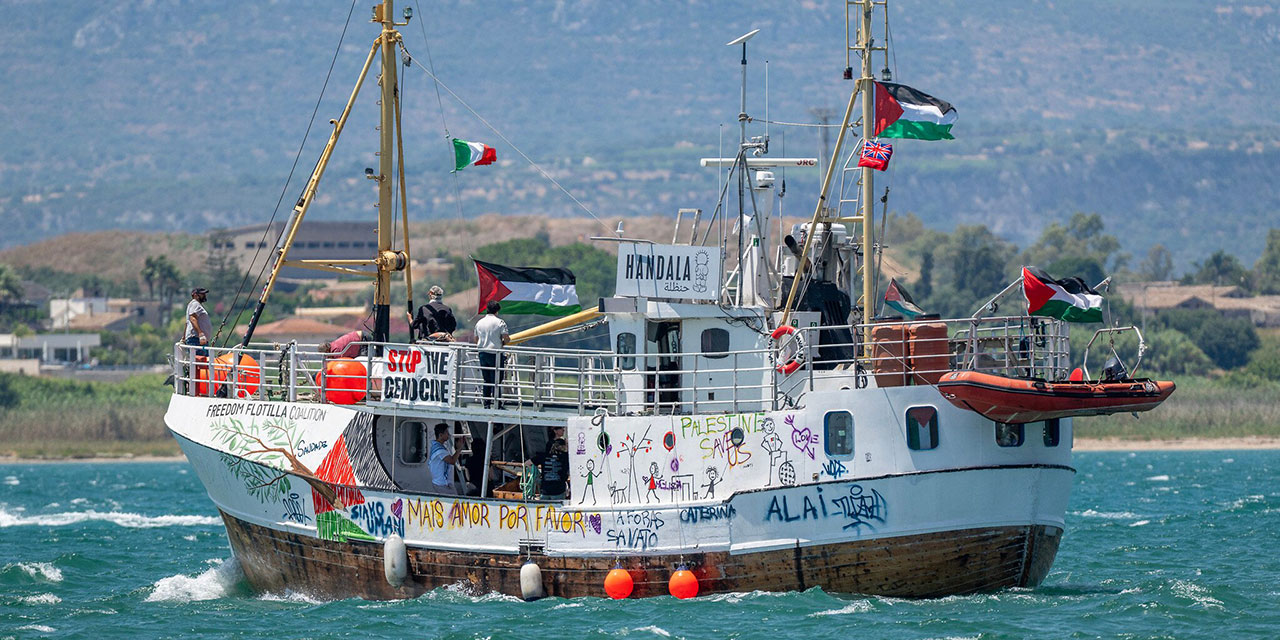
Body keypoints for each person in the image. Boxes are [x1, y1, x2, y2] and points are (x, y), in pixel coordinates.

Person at [474, 300, 509, 408]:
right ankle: (497, 403)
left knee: (486, 379)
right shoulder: (500, 322)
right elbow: (506, 339)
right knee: (497, 380)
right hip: (496, 353)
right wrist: (502, 343)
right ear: (497, 311)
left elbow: (476, 339)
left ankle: (486, 403)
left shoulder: (479, 323)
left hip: (483, 353)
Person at [429, 423, 461, 494]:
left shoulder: (437, 447)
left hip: (442, 483)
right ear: (440, 435)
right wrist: (459, 449)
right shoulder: (439, 450)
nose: (449, 435)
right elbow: (452, 461)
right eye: (446, 432)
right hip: (442, 484)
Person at [184, 287, 212, 357]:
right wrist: (200, 334)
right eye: (202, 294)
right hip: (197, 339)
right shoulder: (195, 304)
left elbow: (187, 323)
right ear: (195, 295)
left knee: (201, 364)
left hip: (198, 340)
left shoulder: (194, 305)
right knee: (200, 363)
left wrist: (183, 337)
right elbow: (192, 318)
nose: (204, 295)